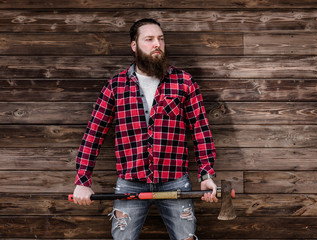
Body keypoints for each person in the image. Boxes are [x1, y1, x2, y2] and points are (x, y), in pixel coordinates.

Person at [72, 18, 217, 240]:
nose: (156, 44)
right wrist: (83, 180)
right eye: (149, 39)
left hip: (175, 180)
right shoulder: (115, 86)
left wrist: (206, 174)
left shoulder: (184, 82)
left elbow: (200, 130)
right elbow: (94, 134)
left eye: (160, 39)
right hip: (130, 181)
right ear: (134, 45)